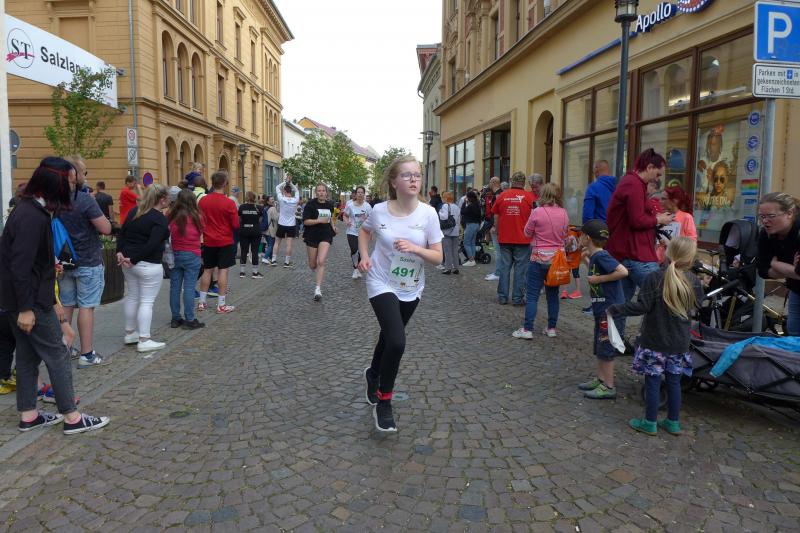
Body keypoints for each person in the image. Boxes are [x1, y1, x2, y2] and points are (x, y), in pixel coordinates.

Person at [0, 158, 109, 434]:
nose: (73, 187)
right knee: (58, 354)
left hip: (25, 300)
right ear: (55, 183)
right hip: (30, 303)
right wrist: (27, 308)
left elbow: (31, 265)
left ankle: (29, 415)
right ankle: (72, 417)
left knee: (27, 357)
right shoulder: (31, 216)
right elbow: (20, 266)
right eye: (69, 182)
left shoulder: (31, 210)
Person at [358, 155, 443, 433]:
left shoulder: (428, 214)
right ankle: (384, 401)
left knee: (388, 336)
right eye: (406, 175)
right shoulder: (379, 210)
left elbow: (438, 258)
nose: (413, 179)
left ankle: (373, 373)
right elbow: (364, 232)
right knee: (397, 341)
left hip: (411, 287)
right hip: (381, 281)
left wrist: (416, 248)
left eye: (417, 174)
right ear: (394, 182)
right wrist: (364, 256)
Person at [608, 237, 703, 436]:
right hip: (679, 343)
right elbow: (697, 306)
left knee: (652, 381)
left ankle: (649, 422)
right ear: (690, 258)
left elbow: (641, 306)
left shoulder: (654, 277)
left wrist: (617, 309)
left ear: (667, 253)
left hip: (654, 341)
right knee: (674, 383)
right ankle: (673, 422)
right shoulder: (693, 281)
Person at [606, 148, 675, 336]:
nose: (657, 179)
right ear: (649, 167)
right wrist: (659, 219)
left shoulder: (631, 183)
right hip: (636, 255)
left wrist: (656, 219)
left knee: (621, 304)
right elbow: (637, 220)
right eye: (657, 174)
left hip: (626, 253)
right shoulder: (634, 184)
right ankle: (655, 342)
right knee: (664, 297)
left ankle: (615, 342)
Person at [59, 155, 112, 368]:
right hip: (88, 260)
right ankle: (87, 353)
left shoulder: (54, 200)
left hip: (63, 261)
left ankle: (65, 349)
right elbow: (105, 228)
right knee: (86, 307)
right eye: (84, 172)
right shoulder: (84, 200)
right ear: (76, 175)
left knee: (66, 305)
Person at [576, 220, 628, 399]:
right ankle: (600, 379)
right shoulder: (596, 256)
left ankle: (609, 386)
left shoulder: (602, 256)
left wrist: (599, 280)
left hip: (610, 312)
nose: (579, 238)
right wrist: (585, 260)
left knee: (606, 347)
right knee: (600, 346)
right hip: (602, 310)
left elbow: (623, 271)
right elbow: (596, 273)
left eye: (580, 235)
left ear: (587, 238)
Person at [116, 185, 170, 352]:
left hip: (128, 262)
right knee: (147, 301)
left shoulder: (135, 211)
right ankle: (144, 339)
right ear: (162, 200)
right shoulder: (159, 219)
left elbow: (122, 233)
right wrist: (134, 259)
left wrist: (120, 252)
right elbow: (152, 244)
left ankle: (130, 332)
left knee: (132, 296)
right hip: (147, 264)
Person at [512, 183, 568, 339]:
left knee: (532, 295)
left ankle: (527, 329)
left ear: (543, 195)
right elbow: (564, 234)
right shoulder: (564, 213)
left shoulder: (537, 212)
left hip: (538, 258)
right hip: (556, 260)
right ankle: (551, 328)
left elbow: (527, 232)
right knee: (553, 295)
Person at [756, 192, 800, 336]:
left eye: (771, 216)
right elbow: (762, 270)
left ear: (789, 213)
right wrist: (792, 269)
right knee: (794, 335)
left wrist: (774, 264)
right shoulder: (766, 234)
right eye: (762, 216)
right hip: (796, 290)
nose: (765, 221)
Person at [492, 171, 537, 305]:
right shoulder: (529, 197)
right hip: (523, 239)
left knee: (504, 267)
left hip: (505, 237)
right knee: (520, 269)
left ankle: (503, 297)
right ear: (523, 183)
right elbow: (535, 217)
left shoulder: (502, 195)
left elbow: (496, 215)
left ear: (512, 181)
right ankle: (517, 298)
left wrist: (497, 231)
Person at [197, 171, 239, 314]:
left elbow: (200, 221)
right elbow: (235, 225)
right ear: (225, 183)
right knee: (223, 271)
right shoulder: (229, 202)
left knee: (207, 270)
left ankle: (201, 302)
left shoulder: (203, 201)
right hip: (225, 241)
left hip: (208, 240)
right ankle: (221, 305)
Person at [168, 189, 205, 330]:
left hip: (175, 254)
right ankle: (190, 319)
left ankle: (175, 318)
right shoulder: (197, 216)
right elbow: (202, 231)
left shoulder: (171, 215)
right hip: (192, 254)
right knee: (189, 287)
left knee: (174, 287)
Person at [303, 183, 337, 301]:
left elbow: (330, 218)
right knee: (313, 264)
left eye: (323, 191)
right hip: (312, 235)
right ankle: (314, 267)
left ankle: (318, 289)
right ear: (316, 192)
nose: (321, 193)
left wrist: (333, 227)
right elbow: (305, 221)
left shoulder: (329, 205)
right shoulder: (310, 205)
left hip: (326, 235)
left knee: (321, 261)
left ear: (326, 192)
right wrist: (318, 220)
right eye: (319, 191)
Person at [656, 186, 698, 264]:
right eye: (660, 198)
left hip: (677, 262)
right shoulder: (660, 217)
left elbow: (692, 243)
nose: (660, 201)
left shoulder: (686, 217)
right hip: (659, 261)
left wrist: (672, 244)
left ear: (674, 201)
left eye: (663, 199)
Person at [342, 185, 372, 279]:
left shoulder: (367, 206)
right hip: (352, 231)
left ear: (364, 194)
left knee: (361, 251)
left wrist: (371, 231)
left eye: (361, 193)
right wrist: (347, 222)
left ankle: (358, 268)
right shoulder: (350, 205)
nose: (360, 194)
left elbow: (372, 219)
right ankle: (355, 268)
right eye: (358, 192)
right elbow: (345, 215)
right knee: (354, 250)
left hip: (363, 233)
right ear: (356, 194)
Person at [272, 177, 300, 267]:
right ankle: (286, 262)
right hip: (291, 224)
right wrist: (290, 183)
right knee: (289, 244)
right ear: (291, 191)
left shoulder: (281, 199)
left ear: (284, 191)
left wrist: (285, 182)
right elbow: (297, 190)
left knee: (277, 242)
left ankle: (273, 260)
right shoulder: (295, 200)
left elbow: (277, 187)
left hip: (281, 224)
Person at [238, 191, 263, 279]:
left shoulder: (242, 207)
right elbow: (260, 220)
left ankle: (242, 272)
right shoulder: (259, 208)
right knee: (255, 251)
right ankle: (255, 273)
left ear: (246, 197)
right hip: (255, 231)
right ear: (254, 198)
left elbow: (239, 219)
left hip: (244, 231)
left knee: (244, 251)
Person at [482, 177, 502, 281]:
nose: (489, 184)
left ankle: (498, 273)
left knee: (498, 251)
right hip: (498, 226)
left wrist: (494, 226)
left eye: (490, 182)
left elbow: (497, 214)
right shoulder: (499, 194)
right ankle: (498, 272)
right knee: (498, 251)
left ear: (493, 183)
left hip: (497, 228)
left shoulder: (498, 195)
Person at [439, 191, 462, 274]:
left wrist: (440, 212)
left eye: (443, 197)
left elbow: (444, 217)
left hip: (447, 231)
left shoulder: (445, 206)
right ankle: (456, 268)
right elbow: (459, 220)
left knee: (447, 251)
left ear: (445, 198)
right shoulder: (456, 207)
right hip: (455, 231)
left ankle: (448, 268)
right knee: (455, 250)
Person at [461, 190, 482, 267]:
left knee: (466, 243)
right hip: (476, 225)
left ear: (469, 198)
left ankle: (471, 259)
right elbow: (480, 216)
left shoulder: (471, 206)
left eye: (467, 197)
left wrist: (464, 203)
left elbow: (462, 212)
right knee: (472, 243)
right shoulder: (477, 204)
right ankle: (473, 259)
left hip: (470, 225)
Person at [260, 196, 279, 265]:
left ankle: (270, 258)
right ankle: (265, 258)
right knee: (271, 245)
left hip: (265, 229)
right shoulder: (273, 208)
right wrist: (279, 213)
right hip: (271, 229)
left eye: (273, 199)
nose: (273, 200)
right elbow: (276, 218)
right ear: (268, 201)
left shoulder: (265, 208)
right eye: (271, 199)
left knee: (269, 244)